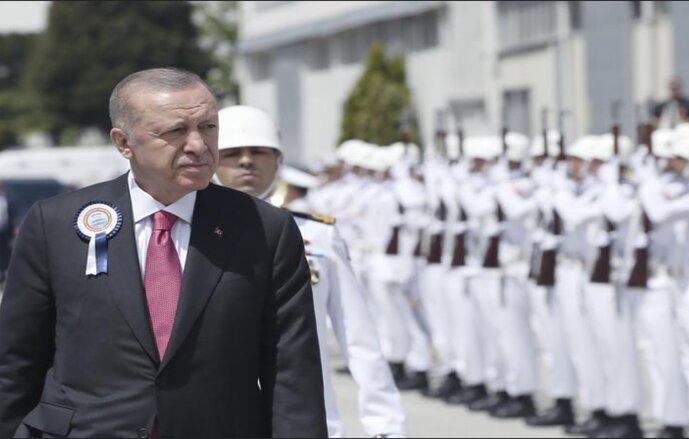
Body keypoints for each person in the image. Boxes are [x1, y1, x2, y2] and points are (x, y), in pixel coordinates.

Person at [0, 68, 327, 438]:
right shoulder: (55, 224)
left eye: (208, 127)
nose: (199, 146)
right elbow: (16, 362)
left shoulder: (265, 229)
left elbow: (292, 371)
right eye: (175, 132)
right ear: (124, 143)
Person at [215, 105, 408, 438]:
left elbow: (358, 335)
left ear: (279, 161)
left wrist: (385, 424)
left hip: (309, 419)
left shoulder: (317, 235)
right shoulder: (190, 236)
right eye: (232, 153)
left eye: (259, 151)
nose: (246, 161)